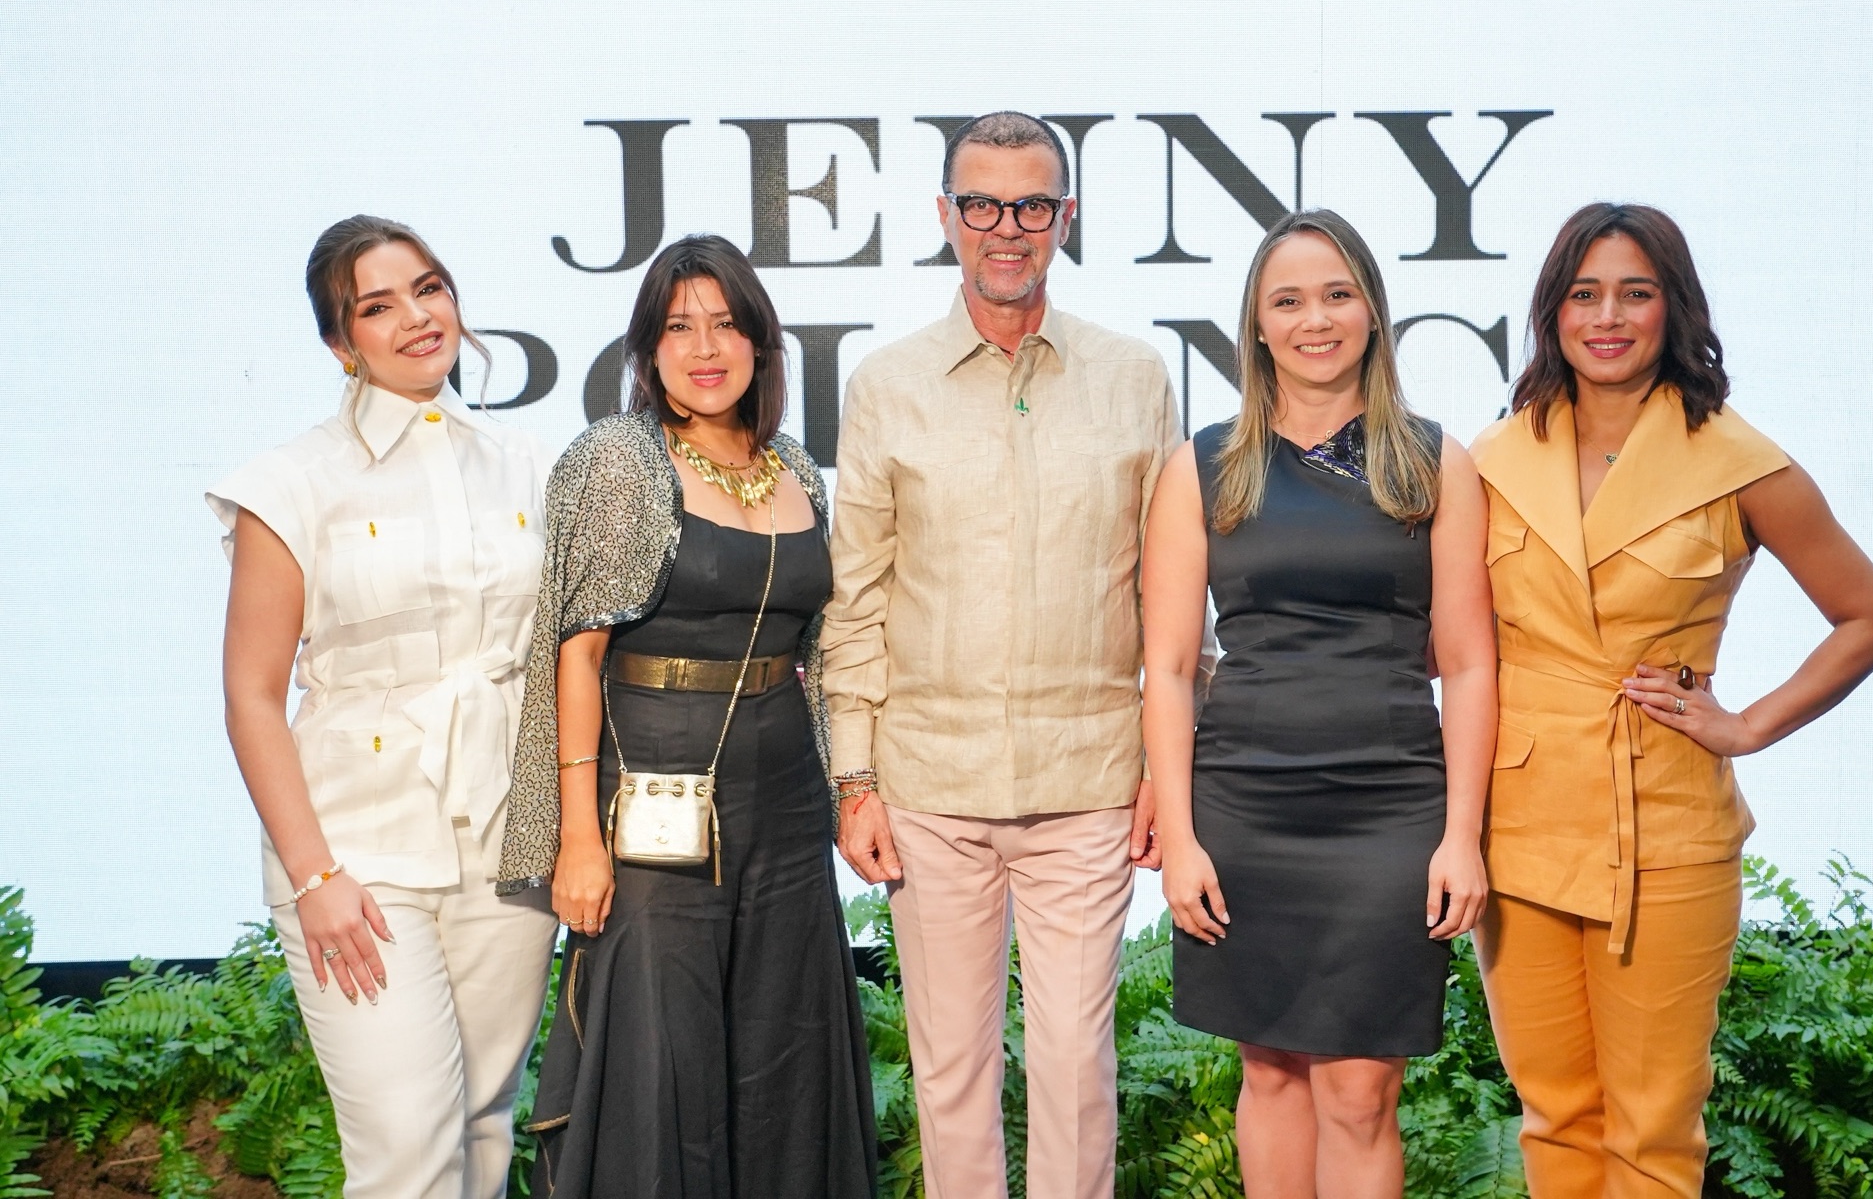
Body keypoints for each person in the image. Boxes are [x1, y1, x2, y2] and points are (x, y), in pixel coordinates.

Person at [1471, 202, 1873, 1198]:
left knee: (1653, 1129)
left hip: (1665, 824)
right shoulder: (1491, 457)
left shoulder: (1735, 459)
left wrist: (1747, 725)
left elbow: (1871, 618)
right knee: (1553, 1116)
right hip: (1519, 821)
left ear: (1673, 306)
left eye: (1635, 292)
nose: (1607, 317)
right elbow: (1444, 640)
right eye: (1583, 294)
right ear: (1551, 311)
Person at [821, 111, 1179, 1198]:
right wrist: (853, 778)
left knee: (1075, 1070)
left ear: (1066, 217)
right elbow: (855, 599)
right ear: (946, 216)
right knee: (950, 1075)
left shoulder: (1134, 378)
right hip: (927, 784)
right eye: (981, 204)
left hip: (1089, 781)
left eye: (1030, 204)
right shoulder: (886, 384)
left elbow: (1171, 597)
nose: (1005, 227)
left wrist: (1167, 768)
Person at [500, 234, 875, 1199]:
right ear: (647, 350)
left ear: (759, 342)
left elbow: (820, 647)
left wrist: (849, 788)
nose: (705, 348)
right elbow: (576, 654)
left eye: (725, 324)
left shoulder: (795, 465)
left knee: (783, 1055)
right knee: (661, 1061)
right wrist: (577, 839)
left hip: (786, 806)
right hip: (652, 804)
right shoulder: (619, 459)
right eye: (678, 327)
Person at [1144, 209, 1496, 1197]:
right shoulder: (1201, 466)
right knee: (1268, 1071)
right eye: (1288, 300)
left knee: (1358, 1091)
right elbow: (1167, 667)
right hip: (1245, 808)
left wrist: (1460, 836)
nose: (1315, 319)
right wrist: (1181, 839)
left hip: (1390, 809)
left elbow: (1470, 664)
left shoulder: (1434, 461)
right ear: (1256, 326)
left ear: (1372, 312)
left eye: (1337, 295)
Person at [209, 216, 558, 1198]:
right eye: (377, 306)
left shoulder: (529, 463)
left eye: (429, 288)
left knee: (483, 1127)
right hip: (355, 853)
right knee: (405, 1146)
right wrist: (314, 874)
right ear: (339, 344)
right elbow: (250, 694)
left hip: (509, 840)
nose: (416, 317)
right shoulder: (291, 483)